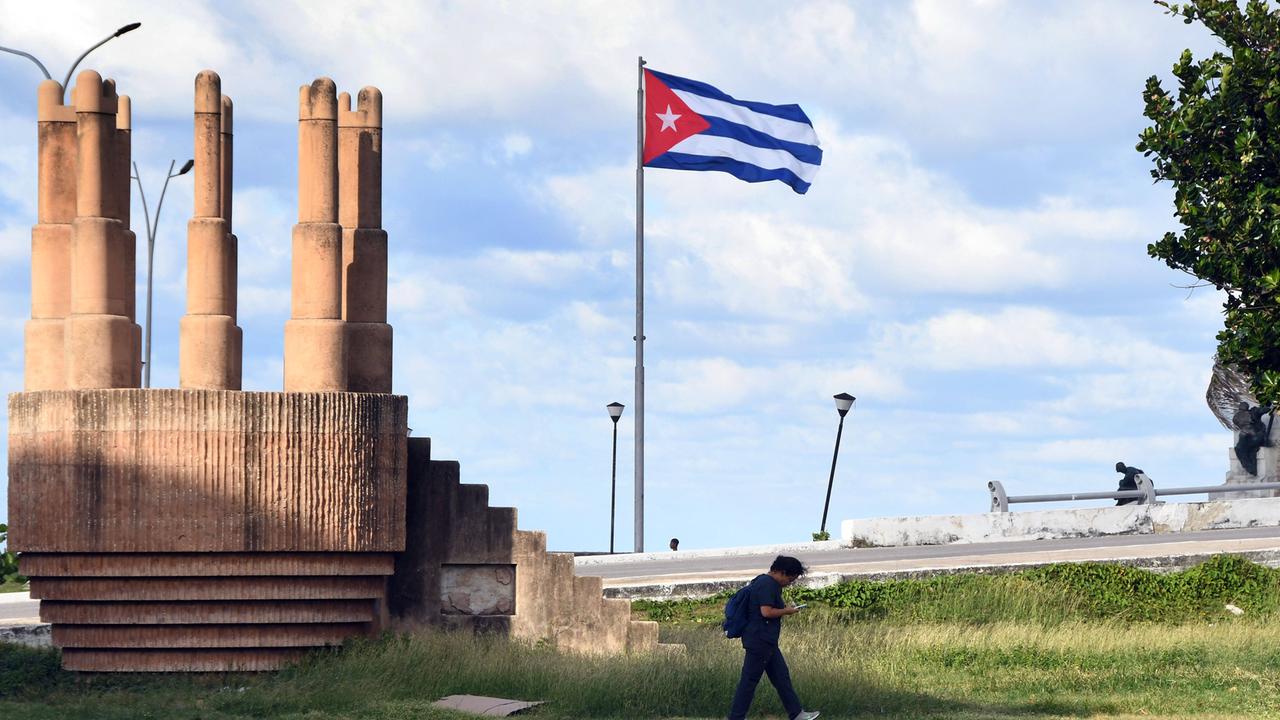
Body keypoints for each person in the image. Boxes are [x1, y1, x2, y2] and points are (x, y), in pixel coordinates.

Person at [727, 555, 819, 720]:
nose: (789, 583)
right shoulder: (769, 584)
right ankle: (736, 717)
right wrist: (787, 611)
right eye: (790, 579)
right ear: (782, 573)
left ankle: (797, 713)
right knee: (749, 681)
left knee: (781, 677)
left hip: (765, 640)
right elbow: (766, 612)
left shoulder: (761, 581)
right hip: (760, 640)